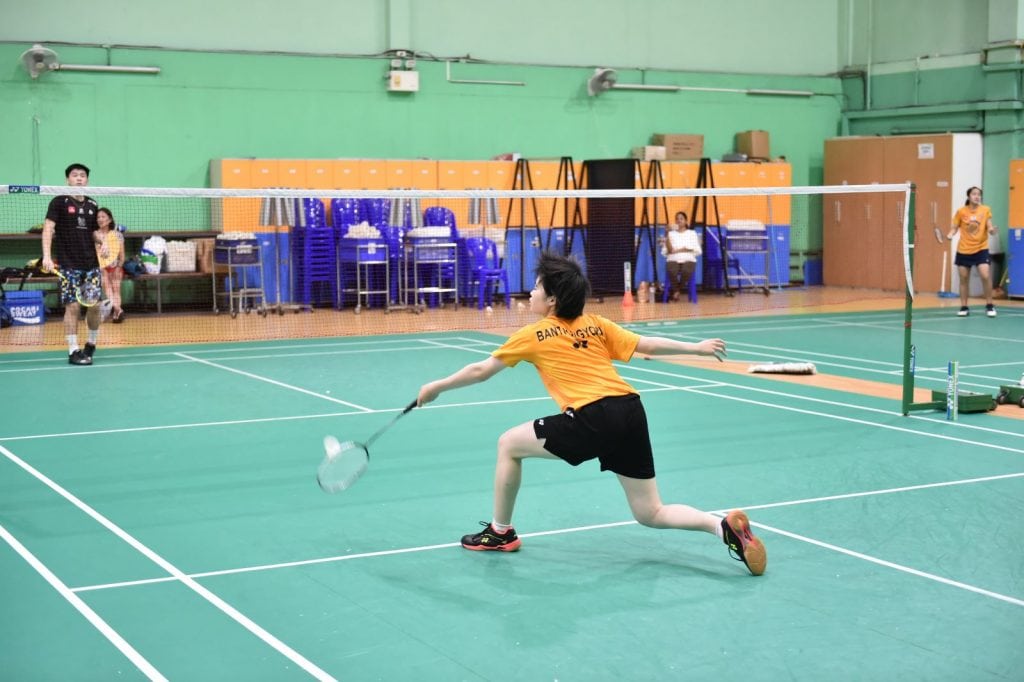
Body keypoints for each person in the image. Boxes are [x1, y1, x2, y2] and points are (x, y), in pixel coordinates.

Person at [416, 252, 767, 576]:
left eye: (537, 287)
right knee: (650, 512)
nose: (532, 292)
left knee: (508, 444)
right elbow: (645, 344)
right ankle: (720, 526)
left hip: (592, 416)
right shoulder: (597, 324)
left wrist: (436, 387)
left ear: (552, 300)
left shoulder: (533, 334)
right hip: (630, 410)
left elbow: (482, 370)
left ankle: (500, 533)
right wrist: (696, 347)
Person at [41, 163, 108, 365]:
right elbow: (48, 228)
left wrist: (103, 241)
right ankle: (73, 350)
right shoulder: (59, 202)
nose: (79, 178)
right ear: (67, 180)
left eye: (82, 175)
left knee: (95, 306)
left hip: (91, 265)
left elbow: (93, 232)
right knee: (73, 306)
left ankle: (91, 343)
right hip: (69, 264)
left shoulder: (92, 204)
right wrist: (46, 256)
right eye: (74, 175)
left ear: (87, 180)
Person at [947, 186, 998, 317]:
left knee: (985, 275)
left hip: (981, 248)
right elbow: (954, 227)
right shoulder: (961, 211)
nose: (977, 196)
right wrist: (951, 234)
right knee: (964, 279)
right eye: (974, 194)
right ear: (969, 196)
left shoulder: (985, 210)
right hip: (964, 249)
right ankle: (964, 307)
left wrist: (992, 231)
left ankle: (989, 305)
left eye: (979, 194)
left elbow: (989, 226)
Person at [660, 211, 701, 302]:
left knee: (686, 270)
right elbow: (669, 250)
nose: (679, 220)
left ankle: (676, 291)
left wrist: (679, 250)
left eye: (681, 218)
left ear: (686, 221)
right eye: (677, 219)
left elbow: (693, 248)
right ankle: (677, 291)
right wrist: (666, 234)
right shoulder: (671, 234)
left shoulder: (692, 233)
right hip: (673, 258)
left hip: (688, 259)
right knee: (671, 270)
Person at [96, 207, 126, 323]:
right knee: (107, 286)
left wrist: (118, 267)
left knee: (116, 289)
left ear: (109, 220)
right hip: (102, 268)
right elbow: (97, 256)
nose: (100, 219)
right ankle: (118, 310)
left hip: (116, 267)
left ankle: (116, 311)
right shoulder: (95, 235)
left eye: (103, 217)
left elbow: (122, 256)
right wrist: (102, 268)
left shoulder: (118, 235)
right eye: (98, 217)